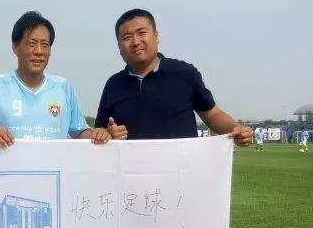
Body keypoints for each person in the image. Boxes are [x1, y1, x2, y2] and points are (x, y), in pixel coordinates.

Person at [94, 8, 252, 146]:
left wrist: (236, 129)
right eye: (127, 37)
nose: (136, 42)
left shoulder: (184, 73)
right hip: (131, 169)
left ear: (156, 36)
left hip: (181, 168)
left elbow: (212, 115)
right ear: (119, 47)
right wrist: (108, 133)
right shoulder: (113, 84)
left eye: (142, 33)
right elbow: (100, 130)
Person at [0, 11, 110, 146]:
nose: (39, 51)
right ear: (15, 47)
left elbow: (79, 132)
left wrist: (98, 134)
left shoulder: (63, 87)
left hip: (54, 167)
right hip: (9, 167)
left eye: (45, 45)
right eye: (31, 44)